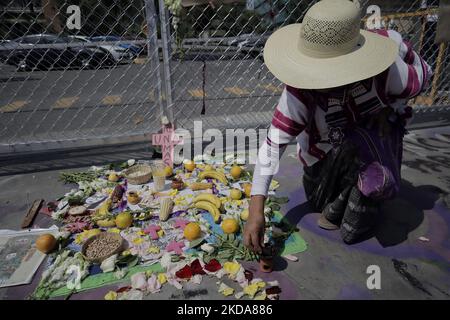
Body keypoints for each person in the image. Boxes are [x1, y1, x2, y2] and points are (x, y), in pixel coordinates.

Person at [243, 0, 432, 251]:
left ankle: (367, 184)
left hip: (365, 147)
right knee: (319, 201)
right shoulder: (300, 91)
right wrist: (256, 209)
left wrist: (390, 110)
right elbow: (272, 145)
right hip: (323, 158)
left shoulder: (388, 71)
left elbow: (422, 75)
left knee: (353, 229)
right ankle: (348, 191)